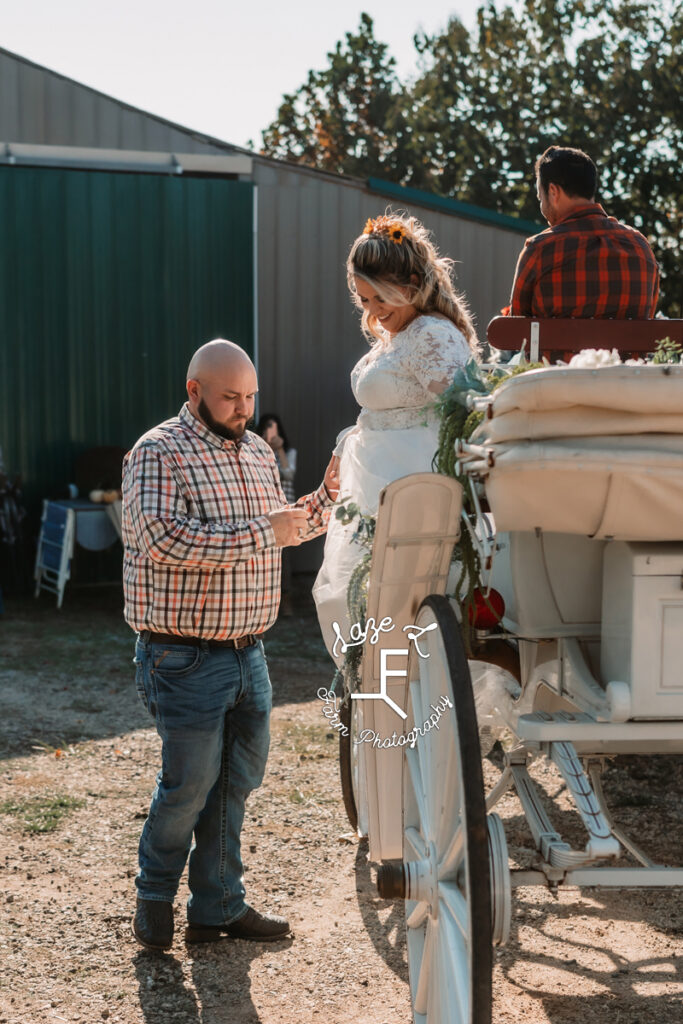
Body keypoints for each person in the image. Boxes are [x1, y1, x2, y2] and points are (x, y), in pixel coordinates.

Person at [122, 339, 338, 951]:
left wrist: (323, 500)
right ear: (194, 391)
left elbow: (278, 532)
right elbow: (163, 540)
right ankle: (155, 898)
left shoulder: (258, 455)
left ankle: (217, 906)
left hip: (250, 652)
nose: (244, 409)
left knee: (235, 784)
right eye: (231, 397)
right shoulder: (157, 452)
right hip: (182, 655)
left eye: (250, 397)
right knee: (188, 786)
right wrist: (263, 532)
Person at [313, 212, 479, 663]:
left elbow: (465, 413)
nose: (372, 311)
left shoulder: (431, 336)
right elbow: (383, 411)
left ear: (410, 281)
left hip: (412, 492)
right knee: (374, 615)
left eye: (380, 298)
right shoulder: (398, 335)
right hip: (374, 489)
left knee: (404, 619)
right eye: (364, 300)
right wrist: (343, 445)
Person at [508, 145, 659, 318]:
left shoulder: (540, 250)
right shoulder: (640, 247)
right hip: (625, 346)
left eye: (540, 197)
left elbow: (515, 332)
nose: (541, 205)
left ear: (553, 192)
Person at [257, 414, 297, 614]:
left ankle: (287, 601)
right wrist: (265, 448)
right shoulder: (254, 453)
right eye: (266, 429)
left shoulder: (289, 451)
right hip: (263, 511)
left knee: (285, 559)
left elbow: (289, 473)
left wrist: (279, 449)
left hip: (285, 508)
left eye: (273, 428)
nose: (270, 433)